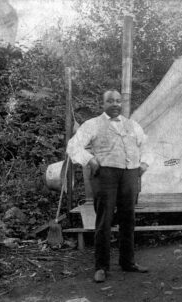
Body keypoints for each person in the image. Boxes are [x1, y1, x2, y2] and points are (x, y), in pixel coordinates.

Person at [67, 89, 152, 283]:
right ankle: (101, 267)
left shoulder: (132, 125)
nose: (115, 104)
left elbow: (146, 144)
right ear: (103, 104)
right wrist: (90, 160)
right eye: (110, 101)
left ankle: (128, 262)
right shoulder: (93, 124)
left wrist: (144, 163)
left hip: (130, 175)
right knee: (104, 220)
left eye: (118, 101)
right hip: (105, 175)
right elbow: (74, 146)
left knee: (128, 218)